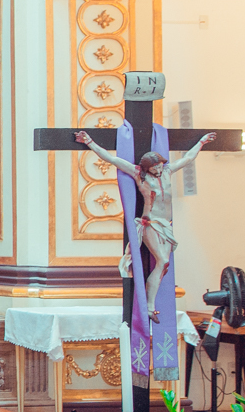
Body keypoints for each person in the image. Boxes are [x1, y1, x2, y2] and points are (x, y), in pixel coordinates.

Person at [74, 129, 215, 323]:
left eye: (159, 166)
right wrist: (89, 142)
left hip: (166, 224)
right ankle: (149, 306)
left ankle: (150, 305)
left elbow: (188, 158)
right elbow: (111, 159)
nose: (157, 170)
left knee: (164, 264)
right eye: (154, 167)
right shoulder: (139, 174)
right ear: (147, 167)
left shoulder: (167, 171)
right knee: (163, 260)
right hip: (150, 223)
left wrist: (201, 142)